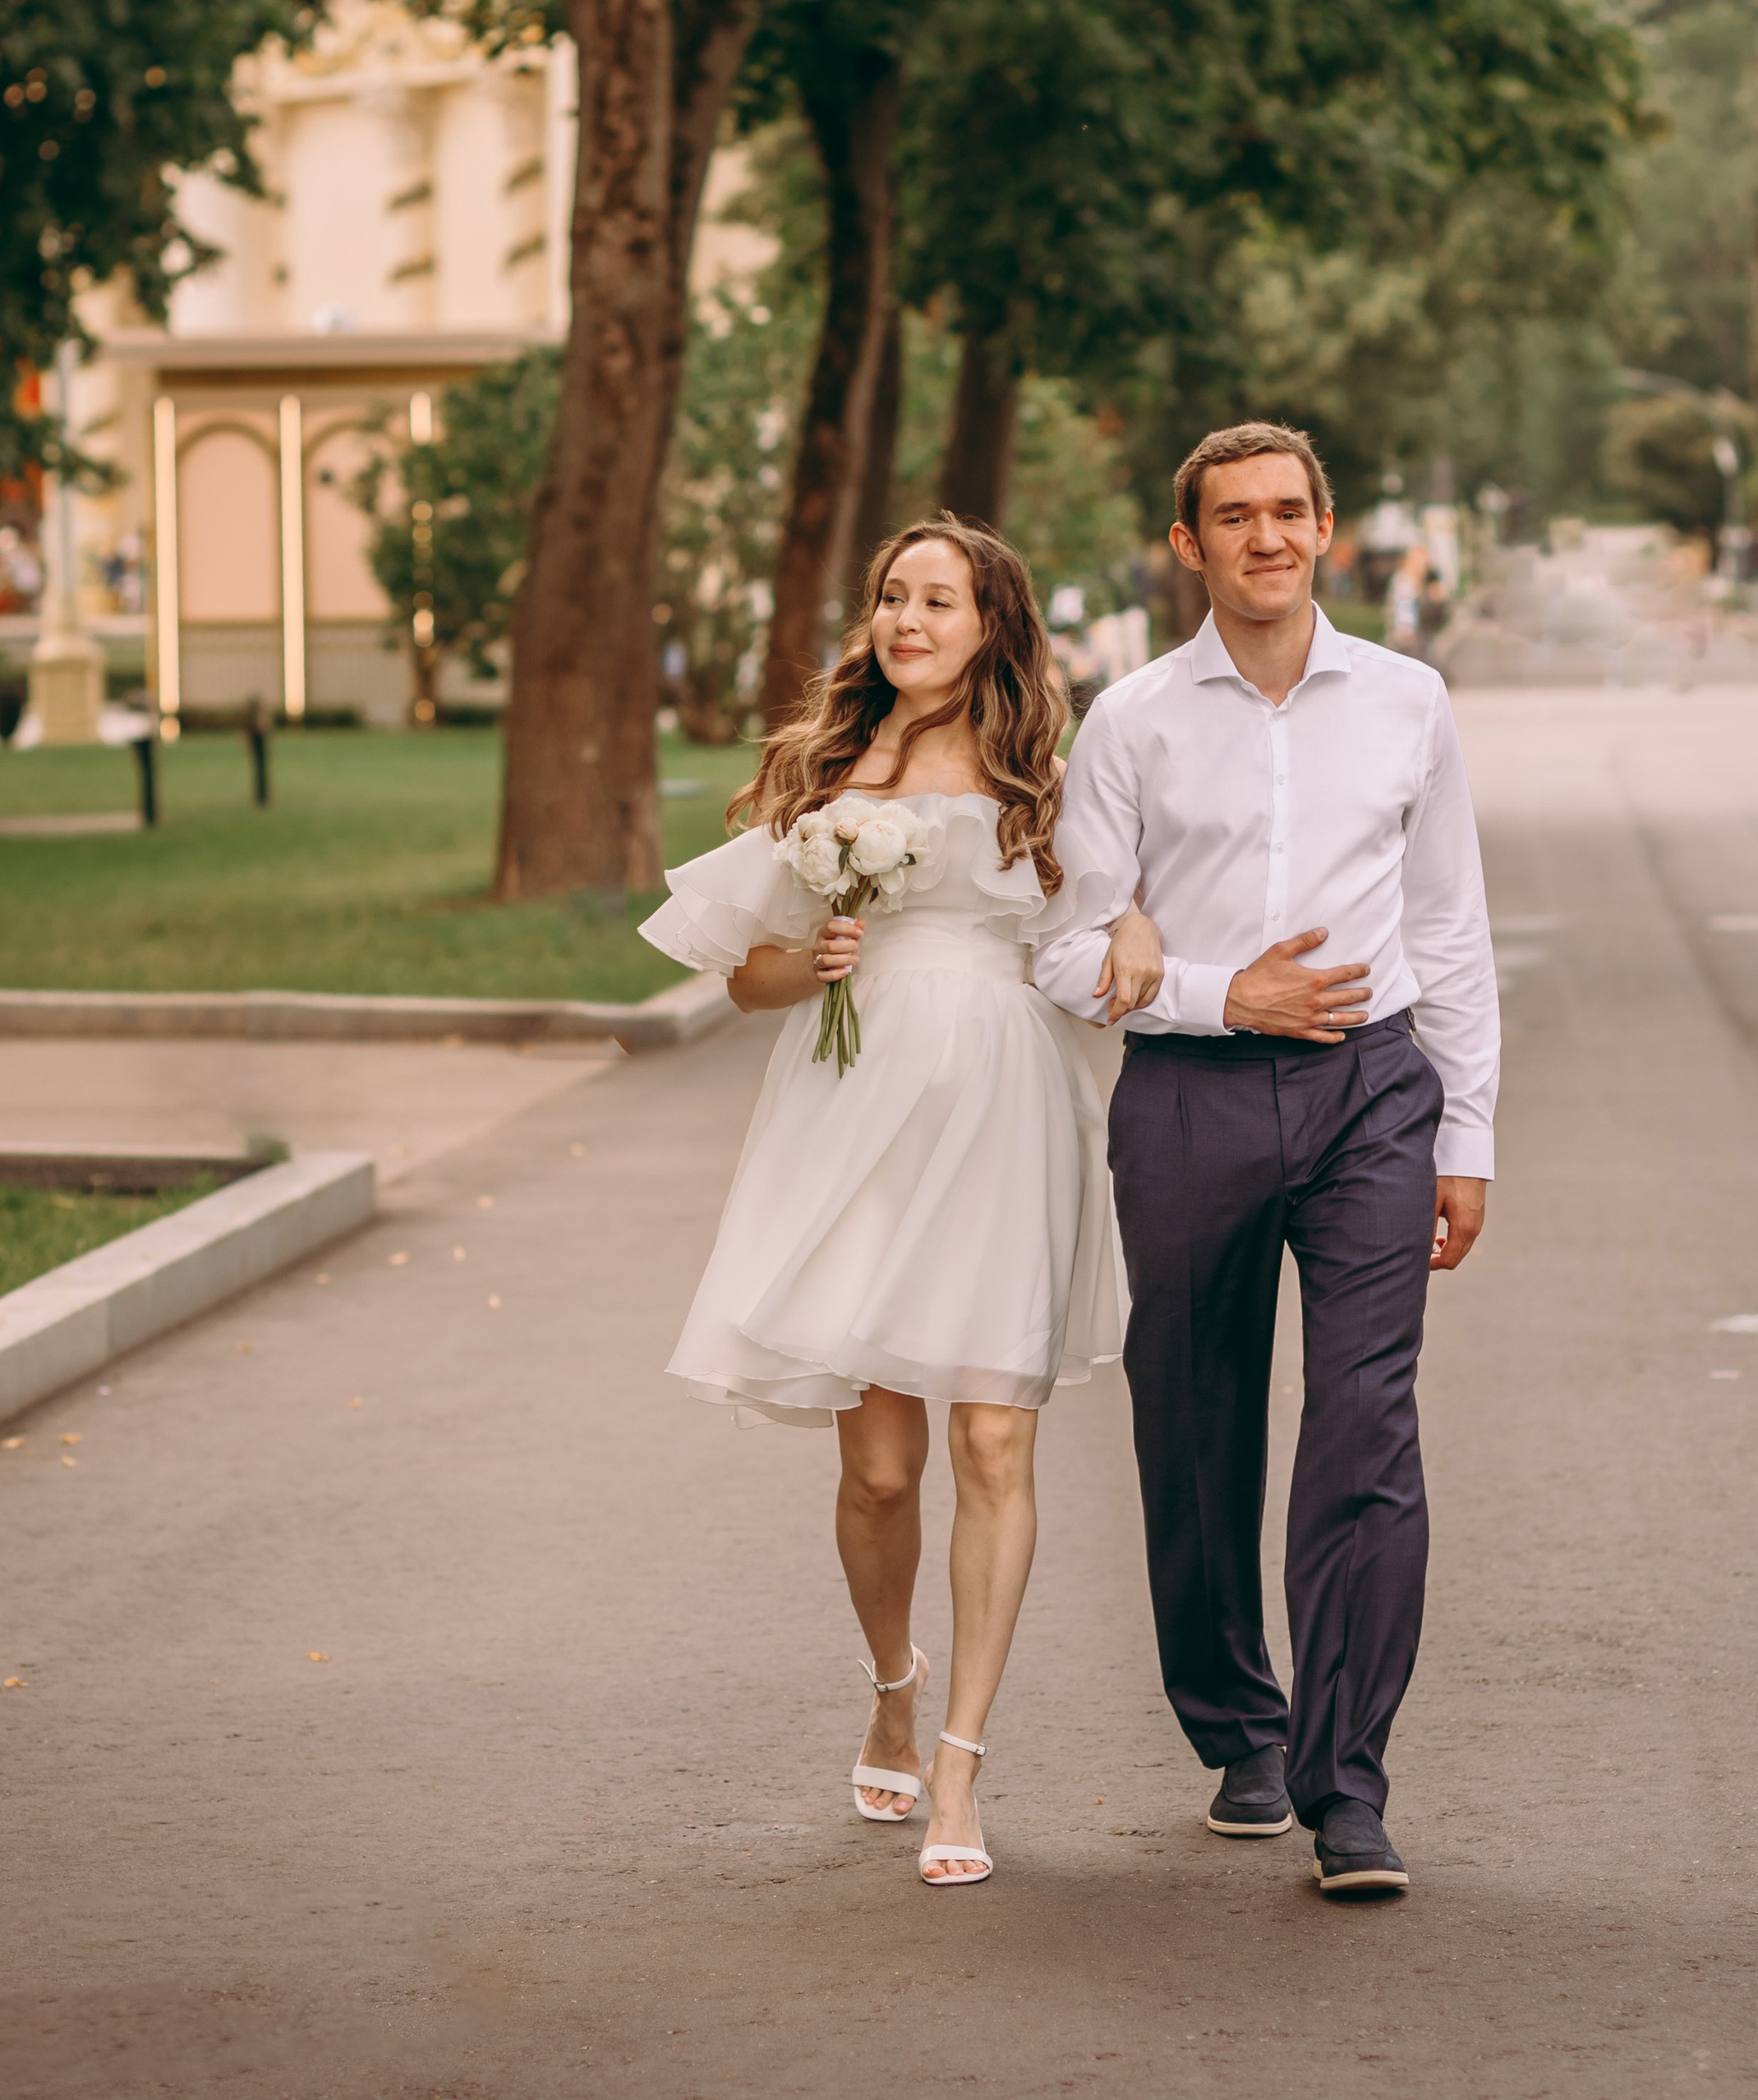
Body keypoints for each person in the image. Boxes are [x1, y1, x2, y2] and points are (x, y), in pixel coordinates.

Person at [639, 515, 1162, 1889]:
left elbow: (1107, 910)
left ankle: (962, 1766)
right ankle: (892, 1682)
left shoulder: (1042, 779)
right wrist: (812, 958)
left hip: (1004, 1109)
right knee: (878, 1470)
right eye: (890, 596)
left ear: (992, 624)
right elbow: (744, 977)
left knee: (993, 1439)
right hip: (854, 1110)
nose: (907, 619)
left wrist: (1134, 922)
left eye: (938, 599)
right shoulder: (829, 774)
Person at [1034, 423, 1498, 1900]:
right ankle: (1240, 1726)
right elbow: (1066, 947)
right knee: (1195, 1421)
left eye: (1289, 511)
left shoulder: (1410, 701)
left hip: (1375, 1093)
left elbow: (1449, 925)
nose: (1266, 537)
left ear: (1326, 529)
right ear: (1190, 546)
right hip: (1191, 1096)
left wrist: (1467, 1133)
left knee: (1367, 1425)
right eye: (1233, 516)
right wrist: (1221, 994)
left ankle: (1346, 1783)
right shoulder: (1131, 722)